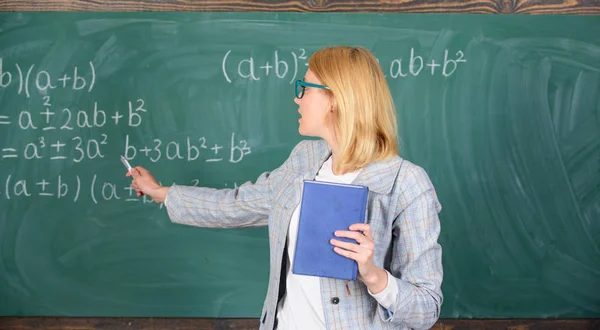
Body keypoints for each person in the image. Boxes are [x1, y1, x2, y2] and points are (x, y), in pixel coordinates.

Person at [128, 46, 443, 330]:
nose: (297, 97)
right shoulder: (304, 160)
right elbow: (238, 204)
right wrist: (161, 192)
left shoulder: (406, 184)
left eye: (305, 88)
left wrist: (374, 275)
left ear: (335, 98)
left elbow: (427, 309)